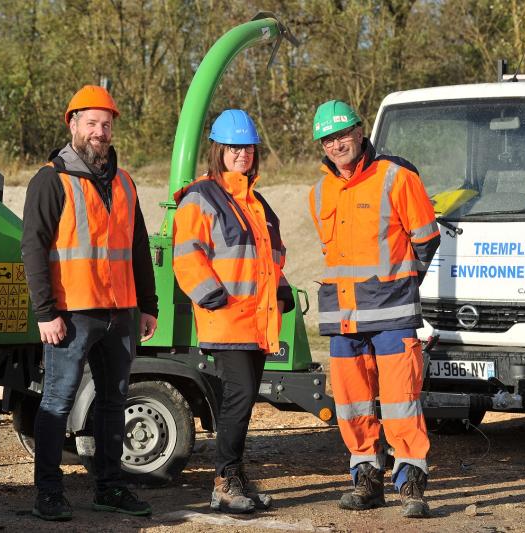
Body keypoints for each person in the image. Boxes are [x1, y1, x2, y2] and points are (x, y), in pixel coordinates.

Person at [21, 85, 158, 521]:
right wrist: (45, 313)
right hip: (72, 314)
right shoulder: (50, 179)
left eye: (107, 124)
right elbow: (33, 249)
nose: (101, 132)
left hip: (121, 312)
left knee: (114, 402)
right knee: (57, 402)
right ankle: (48, 493)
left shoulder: (125, 182)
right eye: (93, 123)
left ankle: (109, 488)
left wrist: (148, 303)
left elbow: (138, 247)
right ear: (73, 124)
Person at [308, 100, 440, 518]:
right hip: (343, 317)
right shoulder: (319, 192)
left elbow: (426, 240)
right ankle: (366, 477)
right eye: (328, 139)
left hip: (392, 313)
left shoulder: (396, 177)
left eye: (343, 134)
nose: (337, 144)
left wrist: (400, 286)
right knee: (352, 404)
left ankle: (412, 483)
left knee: (402, 401)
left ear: (361, 132)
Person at [172, 109, 292, 514]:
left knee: (241, 402)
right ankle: (224, 480)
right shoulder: (201, 197)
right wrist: (211, 296)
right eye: (234, 147)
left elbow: (270, 258)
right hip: (227, 319)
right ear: (218, 150)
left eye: (248, 148)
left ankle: (234, 477)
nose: (242, 154)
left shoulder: (256, 203)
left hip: (256, 320)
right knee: (238, 401)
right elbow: (187, 255)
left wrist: (282, 288)